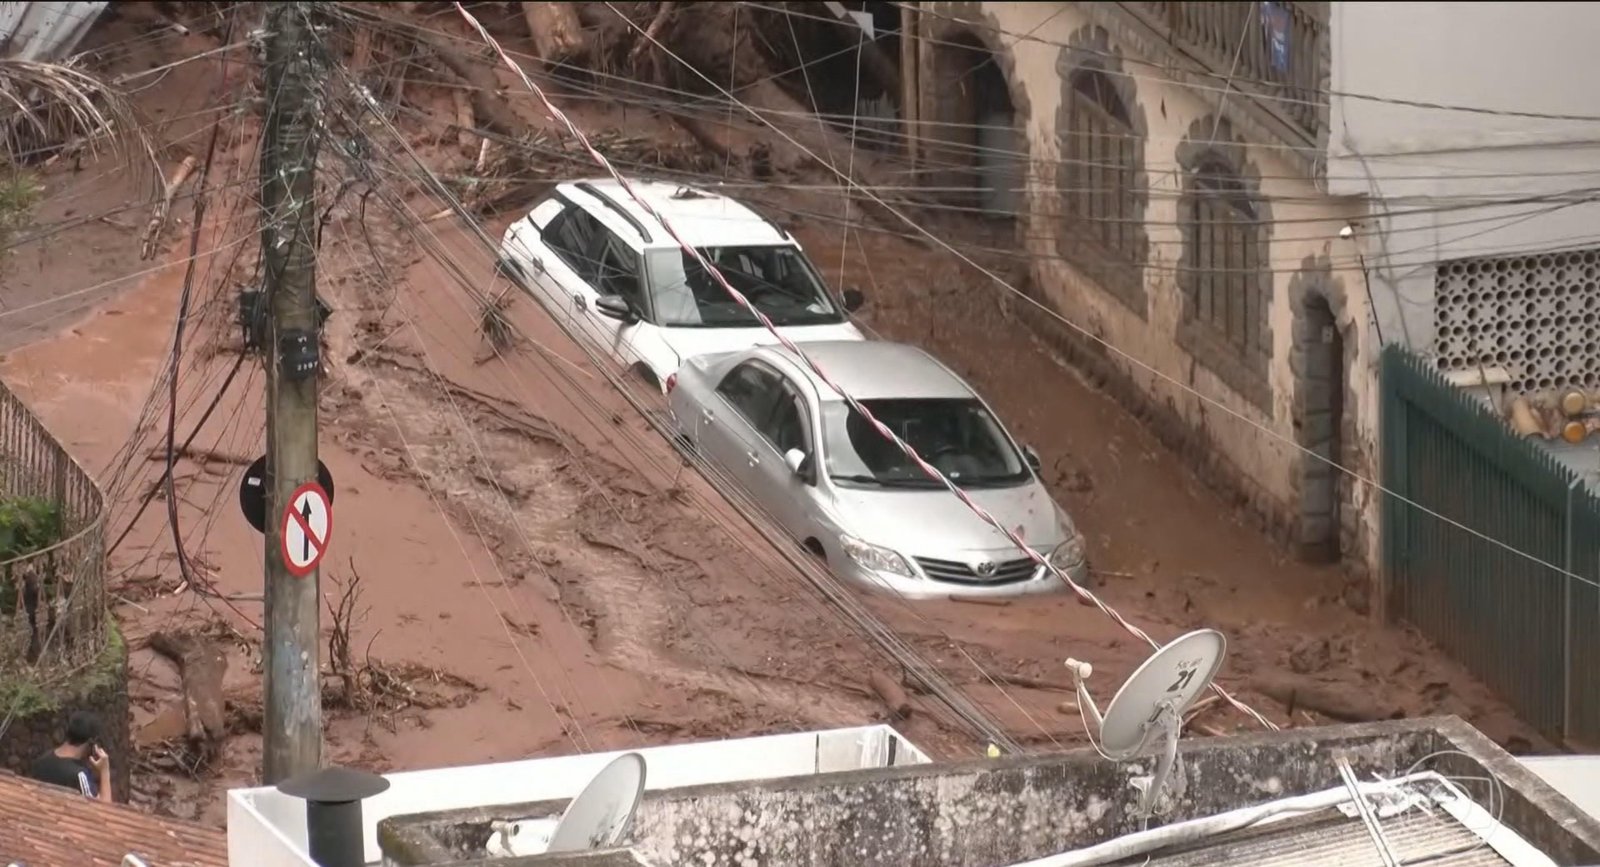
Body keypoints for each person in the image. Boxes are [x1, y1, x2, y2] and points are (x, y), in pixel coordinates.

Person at [29, 710, 112, 803]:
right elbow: (104, 810)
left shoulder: (41, 762)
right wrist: (105, 771)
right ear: (92, 743)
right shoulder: (79, 775)